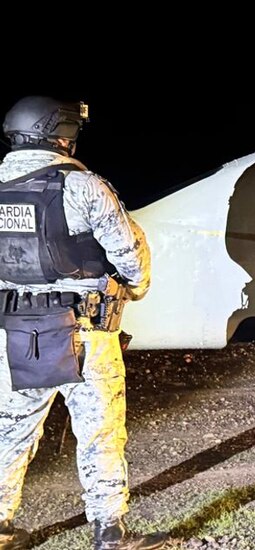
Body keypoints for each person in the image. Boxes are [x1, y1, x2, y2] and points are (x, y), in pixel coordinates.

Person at [0, 97, 163, 550]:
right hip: (84, 332)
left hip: (16, 335)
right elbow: (130, 255)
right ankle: (110, 532)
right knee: (100, 433)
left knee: (8, 433)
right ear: (59, 133)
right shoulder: (83, 186)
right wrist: (133, 289)